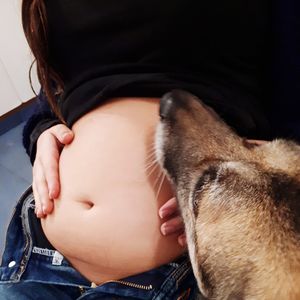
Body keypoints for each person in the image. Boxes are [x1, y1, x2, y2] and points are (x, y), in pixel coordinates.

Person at [0, 0, 276, 299]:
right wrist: (42, 129)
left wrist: (249, 178)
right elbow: (63, 77)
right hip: (38, 249)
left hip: (173, 270)